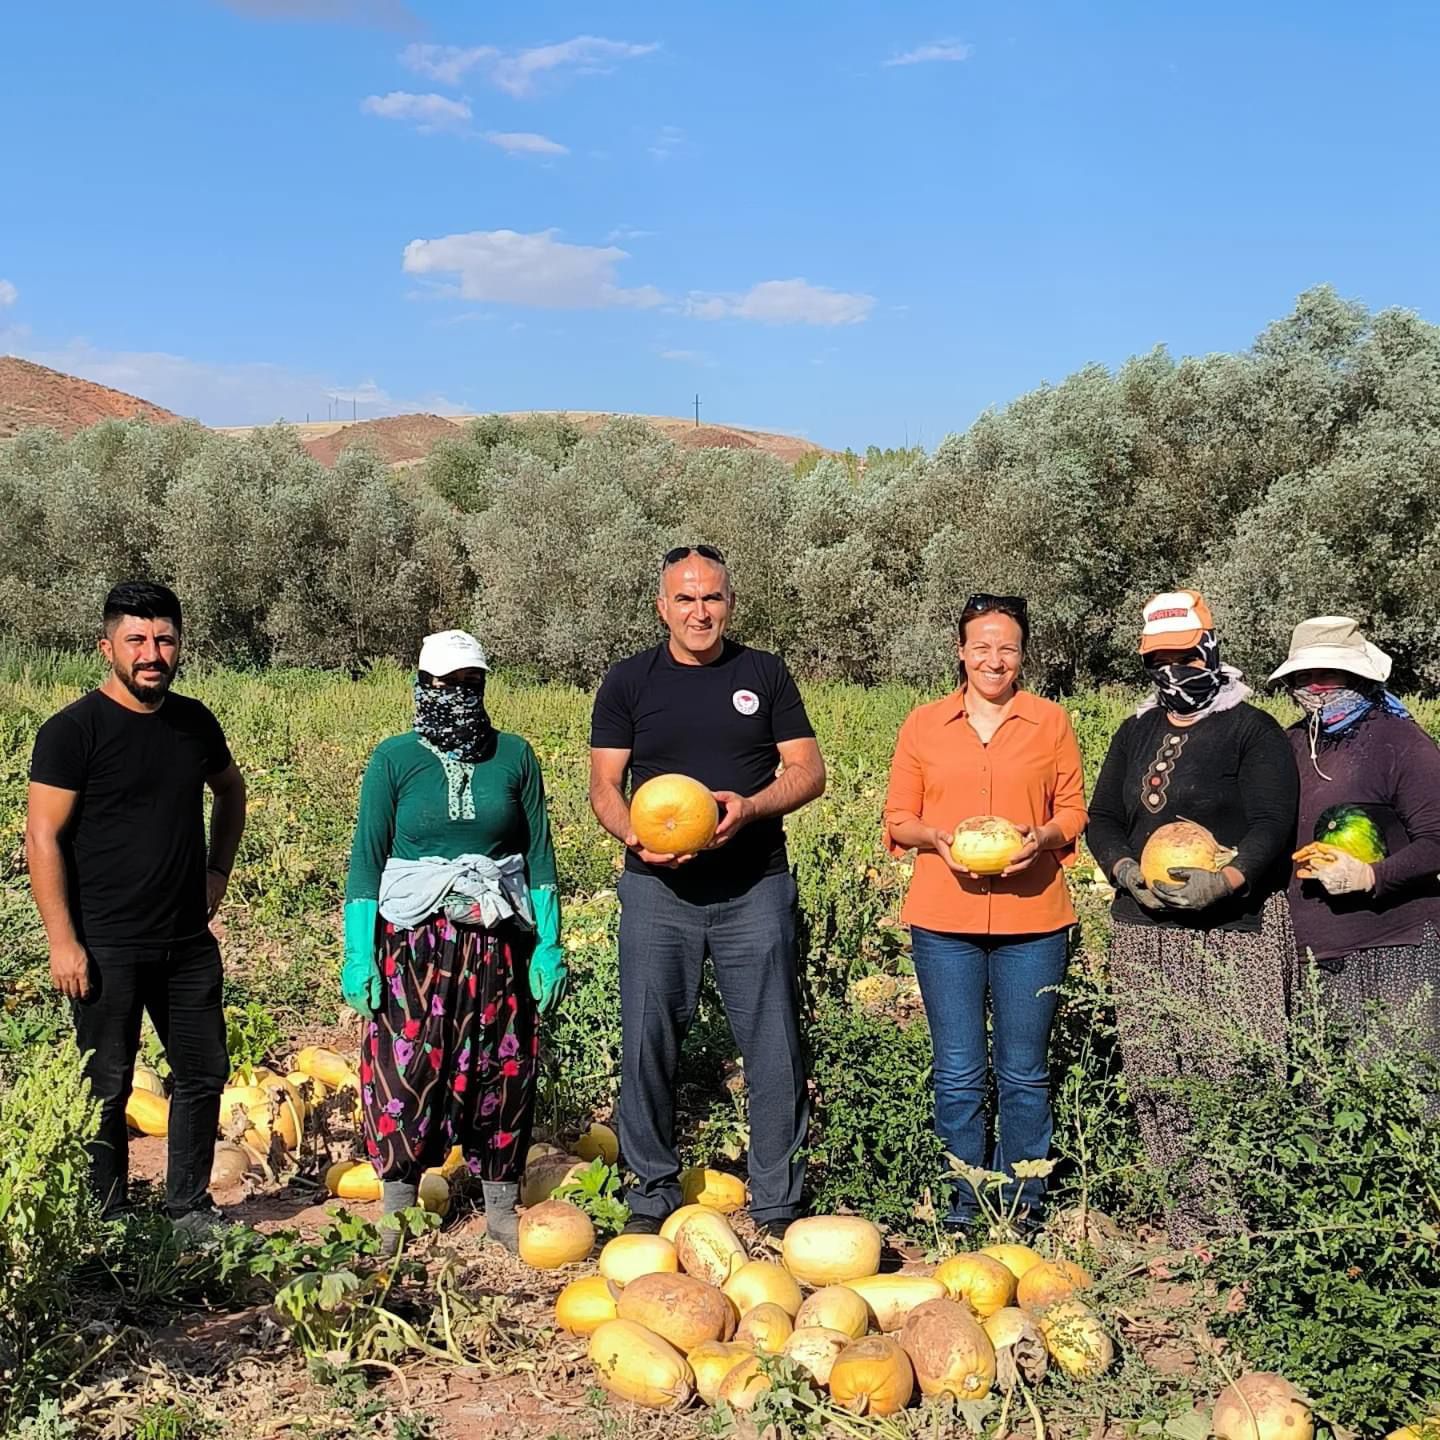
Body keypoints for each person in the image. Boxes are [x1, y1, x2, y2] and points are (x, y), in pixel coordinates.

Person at [589, 545, 826, 1240]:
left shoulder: (764, 674)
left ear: (730, 603)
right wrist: (631, 837)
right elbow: (604, 785)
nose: (700, 611)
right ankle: (651, 1193)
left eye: (712, 597)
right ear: (662, 607)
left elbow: (808, 772)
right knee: (647, 1040)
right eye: (685, 599)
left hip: (754, 887)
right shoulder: (629, 681)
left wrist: (750, 808)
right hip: (658, 890)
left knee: (773, 1043)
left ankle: (779, 1204)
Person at [26, 582, 247, 1238]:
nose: (153, 653)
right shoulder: (73, 732)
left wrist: (216, 870)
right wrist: (63, 941)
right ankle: (108, 1217)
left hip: (185, 939)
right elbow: (42, 836)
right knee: (108, 1084)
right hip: (105, 943)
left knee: (204, 1072)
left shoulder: (194, 723)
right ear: (107, 648)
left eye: (164, 639)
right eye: (137, 641)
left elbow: (230, 792)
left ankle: (187, 1209)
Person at [1086, 590, 1298, 1246]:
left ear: (1210, 648)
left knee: (1234, 1075)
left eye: (1183, 655)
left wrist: (1227, 879)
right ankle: (1189, 1232)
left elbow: (1272, 824)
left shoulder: (1251, 730)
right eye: (1159, 659)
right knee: (1158, 1076)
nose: (1172, 671)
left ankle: (1247, 1235)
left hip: (1232, 937)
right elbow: (1103, 819)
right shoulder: (1136, 730)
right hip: (1144, 933)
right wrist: (1124, 872)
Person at [342, 630, 564, 1254]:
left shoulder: (515, 756)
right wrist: (358, 950)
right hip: (415, 944)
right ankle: (397, 1208)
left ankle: (500, 1205)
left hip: (495, 943)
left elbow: (538, 857)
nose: (458, 695)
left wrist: (549, 943)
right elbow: (368, 858)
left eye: (470, 684)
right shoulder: (394, 759)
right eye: (444, 685)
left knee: (503, 1065)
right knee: (404, 1065)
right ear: (421, 685)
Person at [883, 594, 1088, 1233]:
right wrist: (939, 840)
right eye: (982, 646)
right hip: (944, 919)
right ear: (961, 652)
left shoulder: (1050, 722)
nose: (994, 659)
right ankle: (965, 1202)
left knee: (1025, 1070)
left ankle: (1022, 1203)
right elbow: (899, 819)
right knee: (959, 1068)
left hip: (1035, 920)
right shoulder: (923, 724)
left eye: (1007, 647)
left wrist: (1041, 837)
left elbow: (1074, 813)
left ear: (1022, 655)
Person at [1272, 616, 1440, 1057]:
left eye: (1325, 674)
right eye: (1302, 676)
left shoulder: (1398, 740)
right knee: (1327, 1101)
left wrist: (1371, 876)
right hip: (1315, 951)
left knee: (1405, 1093)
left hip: (1396, 946)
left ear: (1356, 675)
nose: (1314, 686)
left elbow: (1437, 838)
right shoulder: (1290, 743)